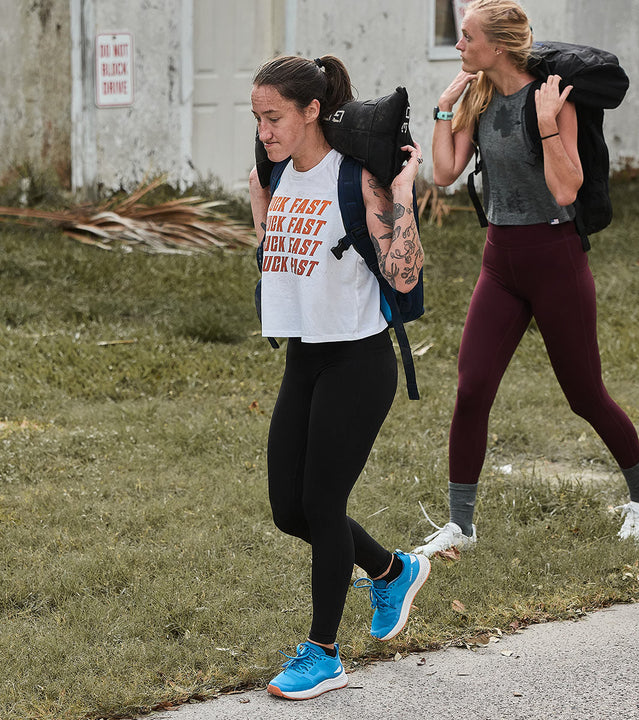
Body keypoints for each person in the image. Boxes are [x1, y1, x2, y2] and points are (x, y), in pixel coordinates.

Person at [413, 0, 639, 557]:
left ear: (498, 46)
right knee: (471, 387)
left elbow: (565, 189)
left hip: (555, 258)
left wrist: (550, 124)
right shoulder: (479, 95)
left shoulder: (551, 96)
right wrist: (442, 111)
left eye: (466, 37)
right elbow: (443, 172)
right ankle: (462, 526)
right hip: (500, 262)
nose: (459, 47)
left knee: (585, 394)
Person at [248, 54, 430, 701]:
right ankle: (391, 569)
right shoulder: (273, 172)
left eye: (274, 118)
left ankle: (323, 652)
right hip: (306, 357)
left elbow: (405, 277)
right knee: (288, 509)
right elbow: (281, 259)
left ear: (311, 111)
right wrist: (260, 210)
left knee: (322, 504)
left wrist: (402, 198)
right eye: (258, 119)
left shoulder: (355, 178)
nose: (265, 131)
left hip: (359, 360)